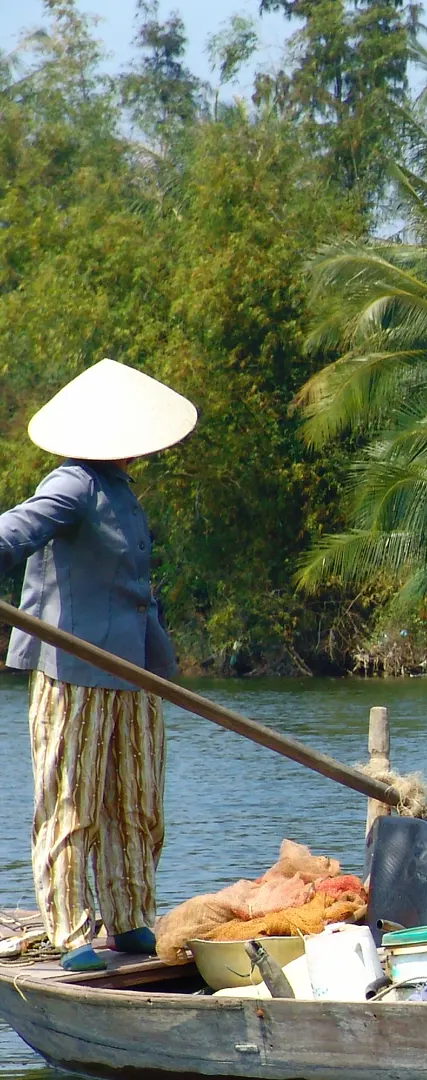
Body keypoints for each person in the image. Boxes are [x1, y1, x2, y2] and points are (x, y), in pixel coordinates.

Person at [0, 359, 198, 971]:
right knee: (71, 802)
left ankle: (129, 916)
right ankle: (69, 932)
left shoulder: (122, 492)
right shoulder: (73, 484)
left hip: (134, 671)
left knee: (134, 798)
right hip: (73, 670)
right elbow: (15, 530)